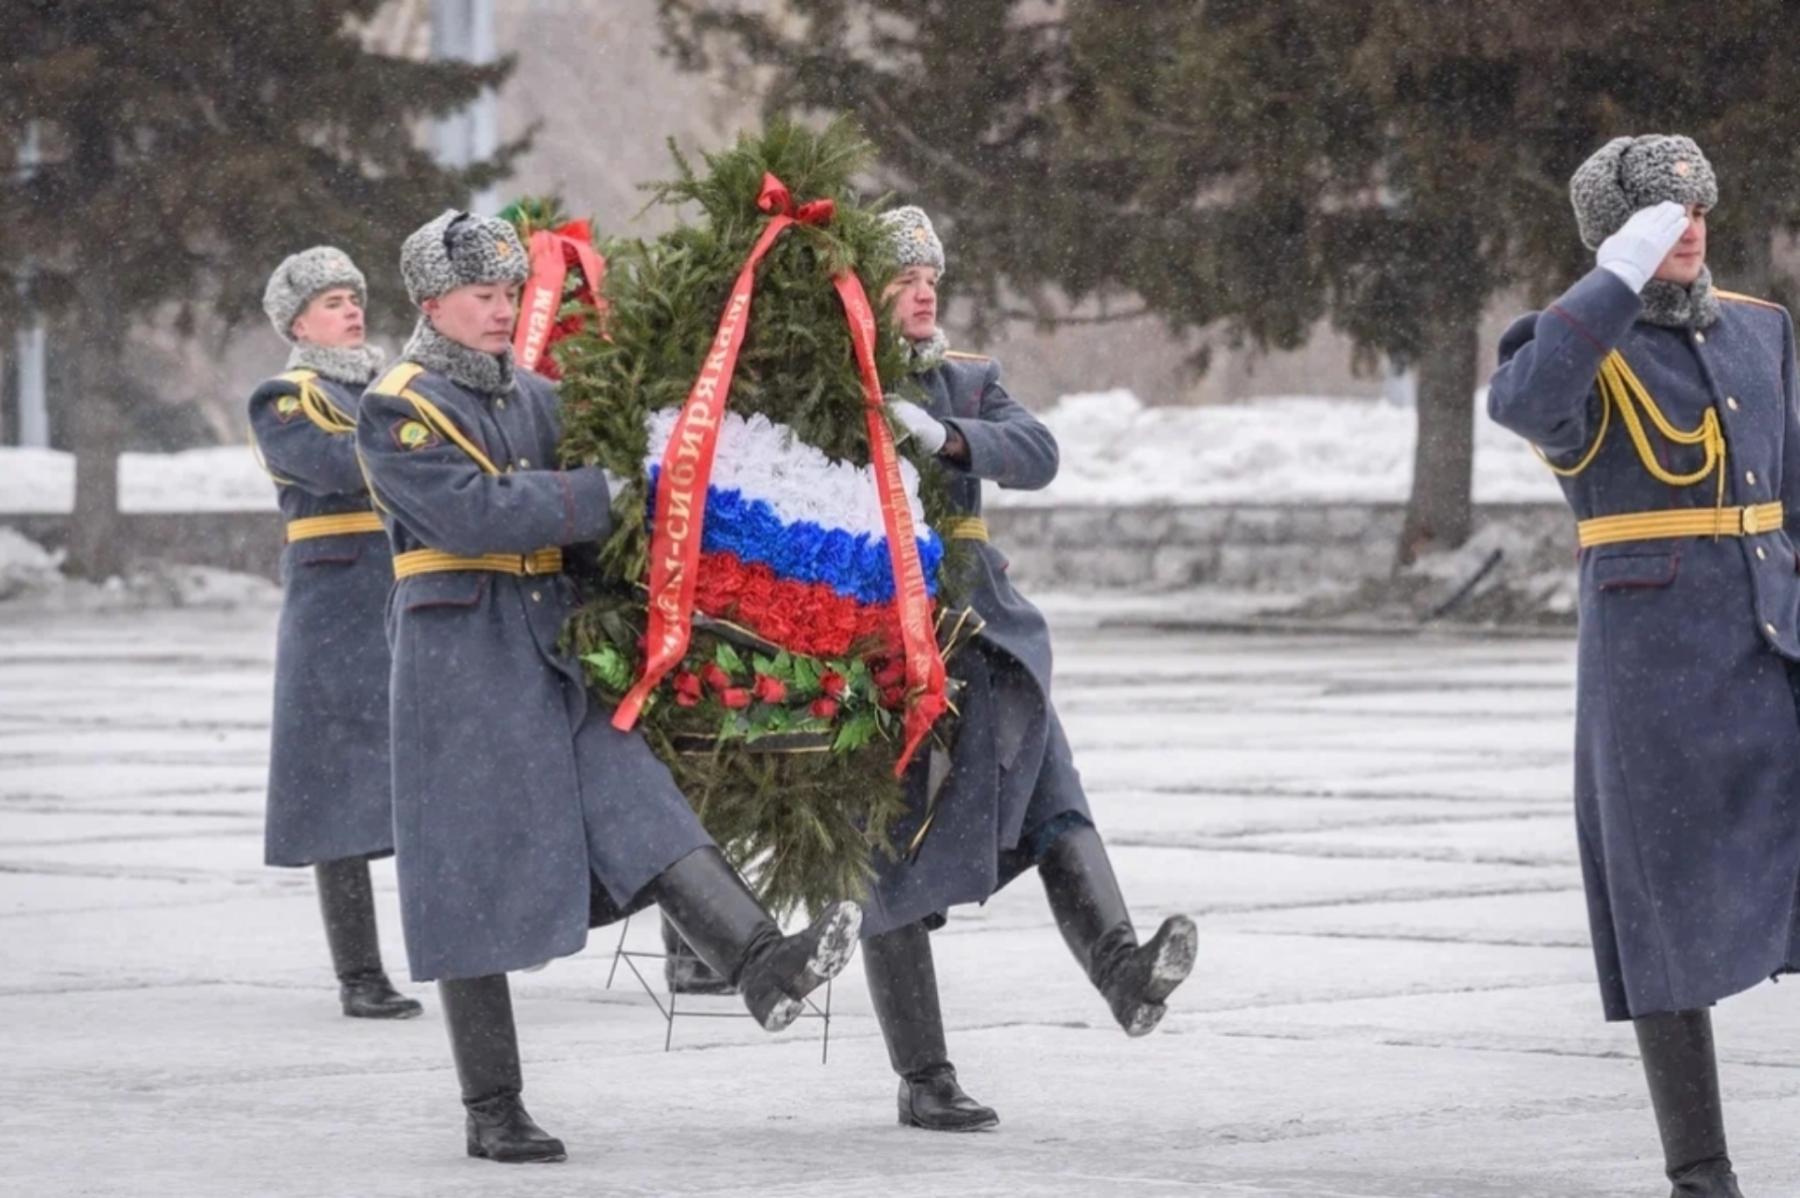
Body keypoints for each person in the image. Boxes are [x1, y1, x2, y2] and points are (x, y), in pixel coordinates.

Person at [354, 209, 861, 1164]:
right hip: (459, 659)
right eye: (482, 296)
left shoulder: (536, 396)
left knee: (640, 802)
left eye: (510, 293)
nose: (504, 310)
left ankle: (760, 965)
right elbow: (469, 514)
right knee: (470, 877)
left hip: (552, 646)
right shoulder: (399, 404)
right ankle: (492, 1104)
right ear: (432, 304)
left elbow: (606, 497)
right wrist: (604, 494)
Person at [1488, 134, 1800, 1198]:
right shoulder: (1576, 344)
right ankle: (1700, 1172)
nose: (1690, 223)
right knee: (1666, 916)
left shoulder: (1763, 330)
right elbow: (1525, 406)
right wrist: (1612, 282)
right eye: (1663, 213)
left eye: (1698, 205)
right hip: (1654, 674)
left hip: (1773, 648)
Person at [854, 206, 1199, 1132]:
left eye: (933, 276)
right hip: (883, 638)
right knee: (890, 851)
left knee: (1056, 803)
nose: (925, 291)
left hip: (989, 636)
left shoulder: (966, 380)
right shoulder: (833, 385)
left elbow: (1039, 455)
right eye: (902, 279)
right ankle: (923, 1076)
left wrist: (945, 435)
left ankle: (1125, 975)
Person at [250, 247, 419, 1021]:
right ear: (295, 321)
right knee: (336, 798)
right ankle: (359, 974)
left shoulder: (394, 390)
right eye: (330, 302)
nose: (351, 310)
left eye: (354, 297)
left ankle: (461, 953)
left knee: (435, 780)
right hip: (331, 619)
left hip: (404, 599)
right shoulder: (285, 396)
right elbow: (340, 466)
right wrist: (417, 440)